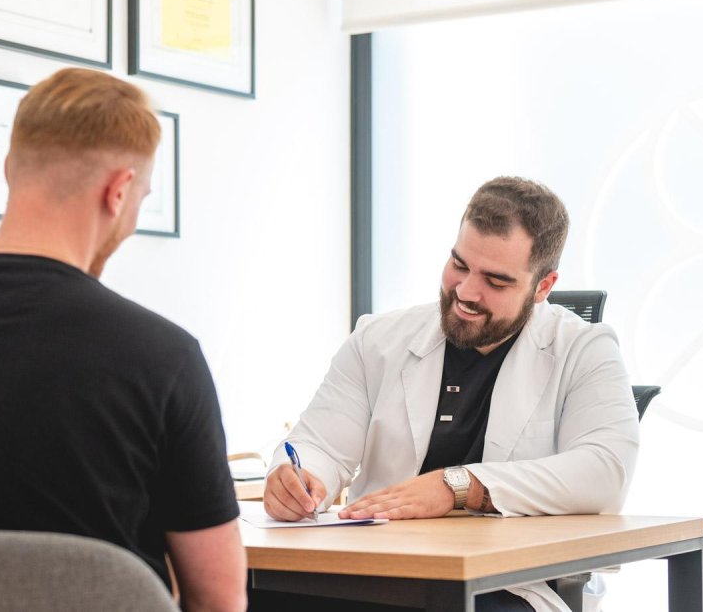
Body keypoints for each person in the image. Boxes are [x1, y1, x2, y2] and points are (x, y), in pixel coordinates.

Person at [0, 68, 246, 612]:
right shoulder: (162, 358)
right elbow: (218, 599)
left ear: (9, 170)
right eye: (141, 197)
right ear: (119, 191)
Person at [262, 177, 639, 612]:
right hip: (376, 570)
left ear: (543, 286)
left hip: (501, 585)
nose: (465, 293)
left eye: (496, 282)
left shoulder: (584, 349)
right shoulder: (378, 339)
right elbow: (319, 443)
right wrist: (301, 478)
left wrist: (457, 485)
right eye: (459, 265)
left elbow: (605, 472)